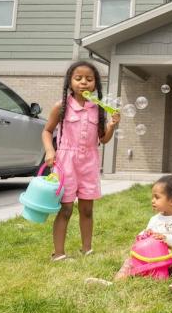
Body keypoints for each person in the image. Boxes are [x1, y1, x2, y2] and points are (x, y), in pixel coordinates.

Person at [42, 60, 120, 261]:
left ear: (95, 84)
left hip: (89, 162)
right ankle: (58, 252)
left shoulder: (99, 109)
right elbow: (47, 131)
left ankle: (87, 249)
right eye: (78, 78)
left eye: (89, 79)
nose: (83, 82)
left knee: (87, 208)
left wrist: (111, 126)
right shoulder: (61, 107)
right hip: (66, 161)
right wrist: (50, 150)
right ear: (70, 82)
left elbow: (103, 139)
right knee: (66, 208)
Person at [113, 165, 172, 285]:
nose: (152, 200)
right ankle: (116, 282)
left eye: (157, 197)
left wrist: (167, 239)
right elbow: (146, 236)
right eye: (152, 197)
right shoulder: (155, 219)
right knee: (130, 261)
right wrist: (143, 235)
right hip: (155, 259)